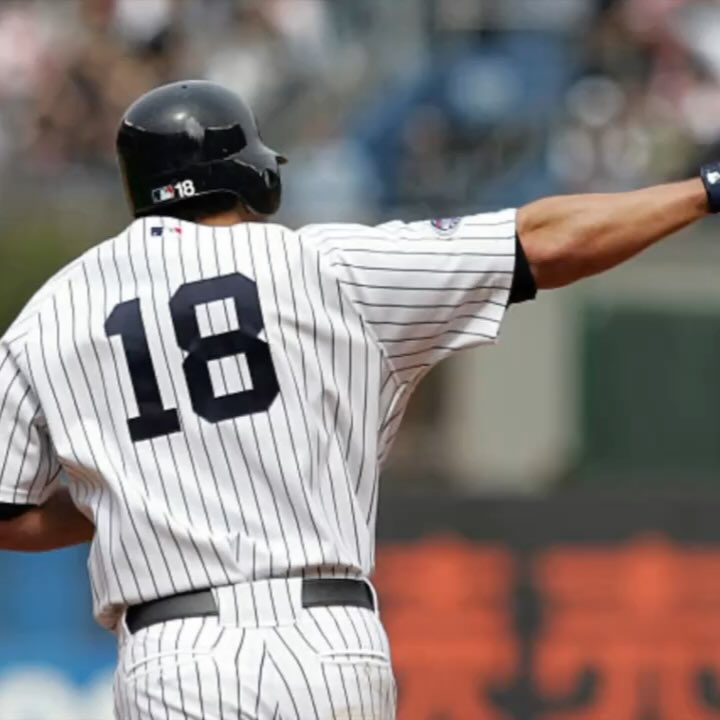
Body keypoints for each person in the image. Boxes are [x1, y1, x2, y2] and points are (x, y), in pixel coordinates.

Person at [0, 79, 715, 719]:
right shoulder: (322, 265)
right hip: (328, 640)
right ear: (249, 176)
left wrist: (133, 493)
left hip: (173, 652)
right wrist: (704, 190)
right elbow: (543, 241)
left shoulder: (51, 315)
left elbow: (9, 511)